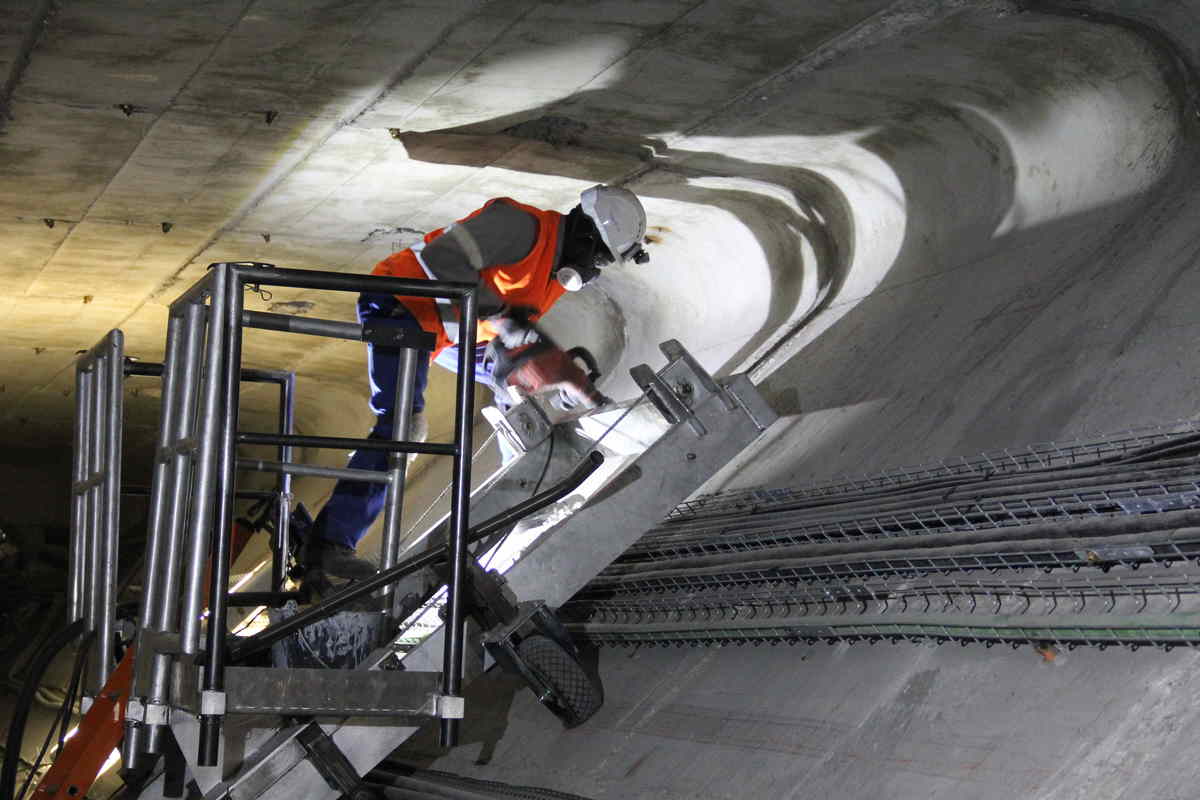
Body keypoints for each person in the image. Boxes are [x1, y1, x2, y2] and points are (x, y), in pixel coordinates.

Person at [305, 185, 649, 578]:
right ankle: (330, 544)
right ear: (587, 234)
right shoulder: (519, 225)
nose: (594, 271)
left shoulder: (554, 273)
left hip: (452, 330)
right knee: (402, 428)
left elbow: (510, 333)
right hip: (402, 304)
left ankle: (523, 490)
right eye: (599, 258)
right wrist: (506, 322)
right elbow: (440, 257)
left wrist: (546, 372)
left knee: (518, 391)